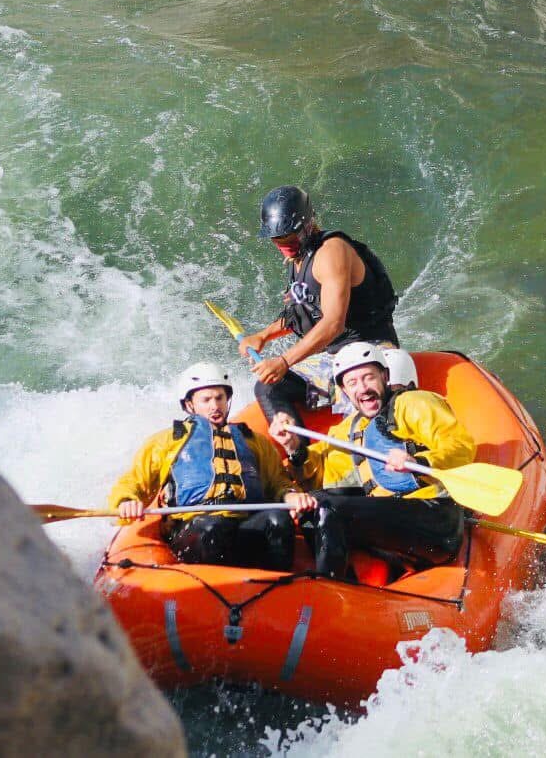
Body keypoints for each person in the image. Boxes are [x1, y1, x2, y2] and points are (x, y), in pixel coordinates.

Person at [268, 342, 474, 580]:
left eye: (369, 377)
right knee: (314, 504)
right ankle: (348, 583)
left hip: (435, 519)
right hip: (395, 521)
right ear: (344, 391)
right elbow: (318, 474)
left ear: (385, 376)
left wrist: (420, 462)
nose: (363, 388)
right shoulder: (351, 427)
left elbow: (461, 447)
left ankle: (328, 585)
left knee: (329, 508)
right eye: (353, 383)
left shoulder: (413, 403)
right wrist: (293, 447)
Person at [108, 362, 301, 571]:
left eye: (220, 398)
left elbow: (278, 482)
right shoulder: (168, 441)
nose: (215, 406)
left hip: (245, 523)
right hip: (195, 528)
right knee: (214, 526)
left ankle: (279, 583)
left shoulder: (254, 441)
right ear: (190, 404)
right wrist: (127, 501)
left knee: (278, 519)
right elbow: (134, 481)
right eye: (206, 400)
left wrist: (290, 495)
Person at [239, 185, 399, 425]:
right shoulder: (298, 258)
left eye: (289, 237)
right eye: (277, 239)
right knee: (267, 388)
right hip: (335, 355)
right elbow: (303, 312)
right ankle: (296, 446)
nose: (284, 244)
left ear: (306, 225)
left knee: (359, 395)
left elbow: (334, 323)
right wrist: (263, 336)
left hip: (371, 349)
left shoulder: (331, 251)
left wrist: (284, 361)